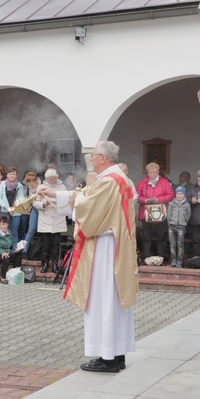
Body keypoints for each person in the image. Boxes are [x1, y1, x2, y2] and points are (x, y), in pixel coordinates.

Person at [38, 140, 138, 374]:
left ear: (103, 158)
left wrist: (64, 198)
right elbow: (85, 195)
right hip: (115, 244)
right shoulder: (118, 178)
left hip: (104, 248)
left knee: (102, 300)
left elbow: (88, 208)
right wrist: (57, 194)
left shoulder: (109, 181)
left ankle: (107, 358)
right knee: (114, 301)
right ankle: (117, 353)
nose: (91, 159)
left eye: (93, 155)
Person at [135, 162, 174, 260]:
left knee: (161, 237)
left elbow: (171, 195)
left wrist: (158, 200)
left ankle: (160, 257)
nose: (152, 174)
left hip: (160, 213)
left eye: (154, 172)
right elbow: (136, 196)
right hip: (146, 213)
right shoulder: (142, 182)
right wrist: (145, 200)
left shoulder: (164, 182)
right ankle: (147, 257)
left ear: (158, 172)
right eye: (150, 172)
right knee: (146, 237)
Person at [34, 168, 67, 273]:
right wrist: (43, 204)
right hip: (45, 218)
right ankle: (44, 264)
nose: (52, 180)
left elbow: (67, 200)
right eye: (50, 178)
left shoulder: (62, 187)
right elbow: (35, 203)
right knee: (45, 244)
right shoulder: (41, 187)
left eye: (53, 178)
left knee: (56, 244)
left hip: (58, 218)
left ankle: (55, 265)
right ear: (47, 178)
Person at [0, 216, 23, 284]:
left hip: (7, 252)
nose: (5, 226)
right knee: (6, 258)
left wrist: (15, 248)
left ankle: (14, 275)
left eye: (6, 224)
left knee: (18, 256)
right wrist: (1, 252)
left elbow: (13, 242)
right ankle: (3, 277)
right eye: (3, 224)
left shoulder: (8, 232)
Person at [0, 166, 27, 241]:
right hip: (5, 211)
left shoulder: (20, 186)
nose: (12, 176)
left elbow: (21, 199)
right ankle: (4, 250)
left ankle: (14, 250)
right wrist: (5, 207)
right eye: (10, 174)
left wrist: (15, 208)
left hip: (16, 212)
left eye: (14, 174)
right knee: (4, 231)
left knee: (14, 232)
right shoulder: (3, 184)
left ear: (16, 175)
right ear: (7, 175)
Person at [167, 187, 191, 267]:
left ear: (184, 195)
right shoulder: (171, 203)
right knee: (172, 244)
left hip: (181, 227)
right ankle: (173, 259)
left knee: (180, 244)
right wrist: (169, 222)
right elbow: (168, 214)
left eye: (181, 194)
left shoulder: (187, 205)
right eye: (177, 194)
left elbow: (188, 215)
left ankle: (179, 260)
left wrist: (184, 222)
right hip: (171, 226)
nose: (179, 196)